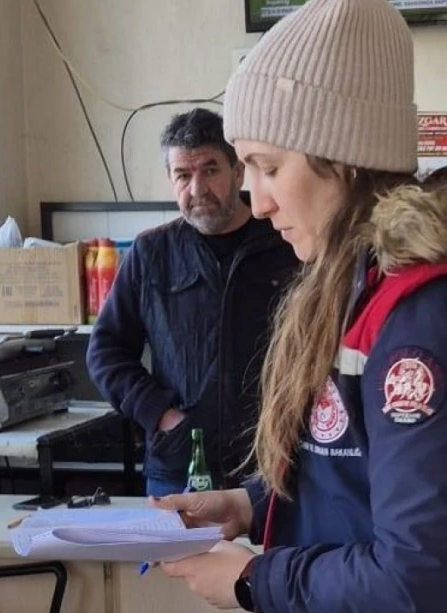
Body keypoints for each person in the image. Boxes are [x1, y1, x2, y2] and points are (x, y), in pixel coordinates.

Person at [153, 0, 447, 611]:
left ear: (347, 160)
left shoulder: (425, 315)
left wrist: (254, 581)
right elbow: (358, 474)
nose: (256, 197)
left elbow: (414, 576)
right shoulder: (363, 286)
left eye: (267, 166)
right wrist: (251, 502)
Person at [87, 108, 298, 498]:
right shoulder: (152, 254)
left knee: (265, 562)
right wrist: (161, 416)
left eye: (210, 170)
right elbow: (105, 351)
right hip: (181, 467)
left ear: (238, 171)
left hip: (273, 465)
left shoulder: (286, 242)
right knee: (182, 562)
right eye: (183, 175)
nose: (197, 188)